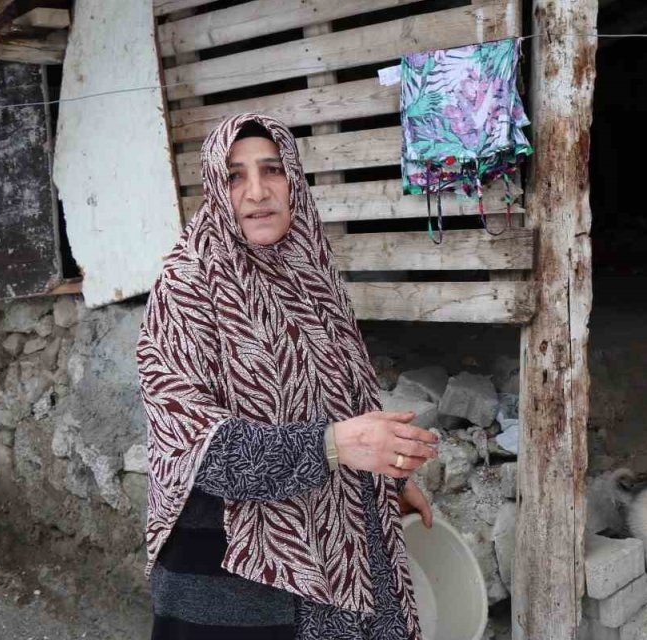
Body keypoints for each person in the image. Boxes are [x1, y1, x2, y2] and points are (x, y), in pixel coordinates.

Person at [137, 113, 438, 640]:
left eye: (271, 170)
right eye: (234, 176)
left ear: (293, 179)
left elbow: (340, 396)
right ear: (214, 185)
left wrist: (386, 482)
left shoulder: (310, 268)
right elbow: (201, 452)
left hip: (340, 535)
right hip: (235, 574)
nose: (256, 192)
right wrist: (332, 446)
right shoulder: (186, 288)